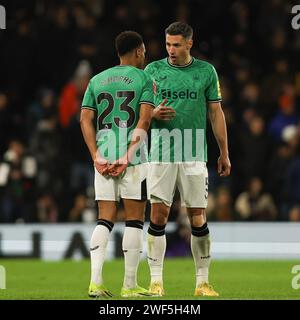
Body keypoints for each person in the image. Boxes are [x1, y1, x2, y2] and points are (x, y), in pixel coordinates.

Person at [145, 22, 231, 297]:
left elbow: (216, 114)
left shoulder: (206, 71)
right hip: (161, 153)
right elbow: (139, 110)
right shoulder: (153, 71)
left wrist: (224, 152)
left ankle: (202, 283)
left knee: (197, 216)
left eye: (177, 45)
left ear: (189, 44)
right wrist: (152, 114)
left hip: (194, 152)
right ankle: (156, 282)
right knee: (158, 215)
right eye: (168, 44)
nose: (171, 50)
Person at [80, 31, 155, 298]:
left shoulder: (96, 80)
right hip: (132, 159)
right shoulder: (145, 78)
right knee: (135, 221)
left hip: (103, 157)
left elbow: (85, 120)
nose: (145, 55)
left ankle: (95, 283)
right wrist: (128, 155)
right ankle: (130, 285)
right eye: (144, 51)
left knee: (104, 219)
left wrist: (96, 155)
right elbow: (144, 122)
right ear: (137, 51)